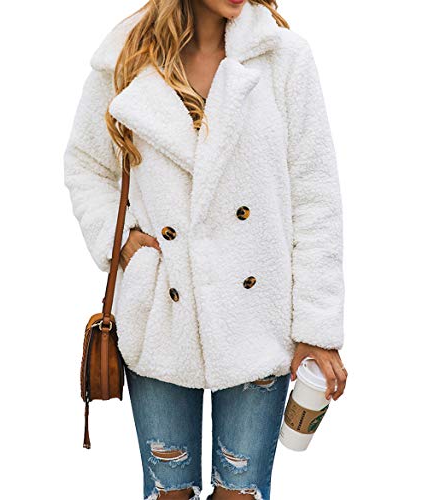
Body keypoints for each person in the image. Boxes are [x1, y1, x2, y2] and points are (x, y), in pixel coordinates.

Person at [64, 1, 348, 499]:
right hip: (162, 315)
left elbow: (315, 197)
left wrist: (317, 328)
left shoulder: (282, 57)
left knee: (242, 492)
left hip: (257, 319)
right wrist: (121, 240)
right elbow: (87, 164)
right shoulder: (126, 59)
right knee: (167, 493)